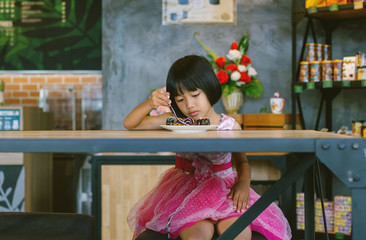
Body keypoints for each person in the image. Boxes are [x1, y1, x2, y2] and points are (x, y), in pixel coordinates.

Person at [123, 55, 292, 240]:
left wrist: (244, 183)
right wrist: (149, 103)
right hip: (185, 192)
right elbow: (131, 123)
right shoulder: (176, 121)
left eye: (195, 95)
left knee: (239, 234)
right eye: (180, 99)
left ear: (209, 88)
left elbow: (242, 162)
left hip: (225, 190)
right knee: (198, 235)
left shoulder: (229, 126)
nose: (189, 105)